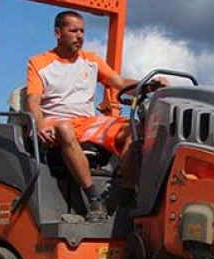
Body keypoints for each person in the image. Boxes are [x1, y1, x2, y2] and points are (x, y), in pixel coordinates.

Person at [26, 11, 164, 222]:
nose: (80, 36)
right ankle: (94, 198)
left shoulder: (91, 60)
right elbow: (33, 101)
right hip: (57, 122)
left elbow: (119, 82)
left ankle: (128, 196)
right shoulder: (39, 63)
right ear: (58, 33)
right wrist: (41, 123)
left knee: (132, 128)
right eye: (73, 31)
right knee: (64, 127)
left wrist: (150, 85)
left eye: (82, 31)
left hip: (88, 122)